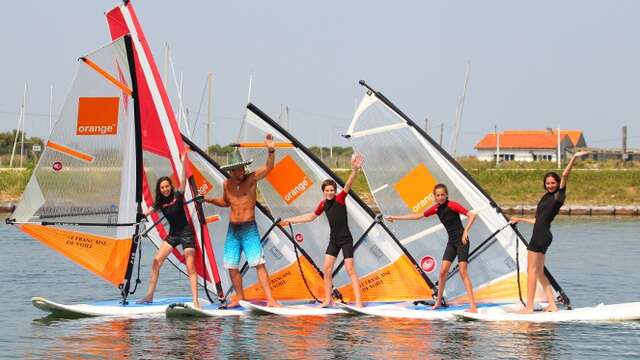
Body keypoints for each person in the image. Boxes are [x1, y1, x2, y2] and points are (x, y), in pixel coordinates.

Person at [279, 153, 364, 308]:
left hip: (346, 239)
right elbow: (310, 217)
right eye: (327, 190)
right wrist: (289, 220)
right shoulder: (323, 204)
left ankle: (359, 303)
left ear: (335, 191)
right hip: (334, 240)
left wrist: (354, 170)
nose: (330, 192)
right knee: (326, 269)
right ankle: (327, 300)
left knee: (350, 269)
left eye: (332, 190)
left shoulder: (340, 199)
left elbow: (348, 185)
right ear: (323, 192)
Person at [205, 134, 279, 308]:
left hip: (248, 228)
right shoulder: (226, 184)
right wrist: (209, 200)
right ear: (231, 170)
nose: (240, 172)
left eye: (242, 168)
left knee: (258, 264)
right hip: (233, 230)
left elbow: (269, 167)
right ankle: (240, 297)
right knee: (231, 265)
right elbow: (225, 202)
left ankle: (271, 299)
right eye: (237, 169)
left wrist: (270, 149)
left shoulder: (251, 178)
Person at [510, 150, 589, 313]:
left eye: (553, 182)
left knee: (531, 271)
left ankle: (529, 307)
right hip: (541, 233)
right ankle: (552, 305)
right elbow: (539, 220)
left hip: (541, 236)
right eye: (548, 183)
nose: (550, 185)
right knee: (538, 272)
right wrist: (520, 219)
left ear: (558, 183)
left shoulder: (558, 196)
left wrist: (573, 158)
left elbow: (566, 176)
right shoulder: (546, 197)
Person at [386, 183, 478, 312]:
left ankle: (473, 306)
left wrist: (466, 231)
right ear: (434, 197)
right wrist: (395, 217)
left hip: (462, 241)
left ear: (446, 195)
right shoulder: (436, 209)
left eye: (442, 195)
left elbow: (472, 215)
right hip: (451, 242)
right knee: (442, 273)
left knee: (463, 272)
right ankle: (438, 302)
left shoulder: (452, 205)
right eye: (438, 195)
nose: (440, 197)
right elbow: (417, 216)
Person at [138, 145, 201, 308]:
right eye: (162, 187)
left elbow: (183, 179)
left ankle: (196, 301)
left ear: (170, 187)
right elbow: (149, 211)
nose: (165, 189)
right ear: (159, 189)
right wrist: (141, 215)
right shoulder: (160, 202)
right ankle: (149, 296)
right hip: (173, 235)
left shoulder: (178, 195)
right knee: (155, 261)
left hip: (186, 234)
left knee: (190, 265)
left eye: (167, 186)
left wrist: (183, 161)